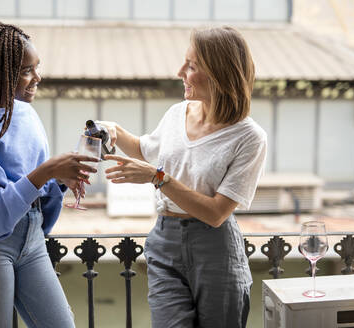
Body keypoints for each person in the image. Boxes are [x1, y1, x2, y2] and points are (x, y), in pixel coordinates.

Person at [101, 26, 267, 328]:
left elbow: (216, 213)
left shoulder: (249, 138)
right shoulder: (178, 113)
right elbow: (145, 148)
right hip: (165, 240)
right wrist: (115, 131)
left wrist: (158, 178)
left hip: (215, 248)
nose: (180, 72)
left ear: (218, 73)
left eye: (191, 66)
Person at [0, 22, 98, 328]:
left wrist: (59, 180)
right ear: (0, 74)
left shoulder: (27, 114)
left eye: (36, 68)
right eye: (27, 70)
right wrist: (45, 172)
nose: (37, 78)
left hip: (31, 238)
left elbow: (34, 192)